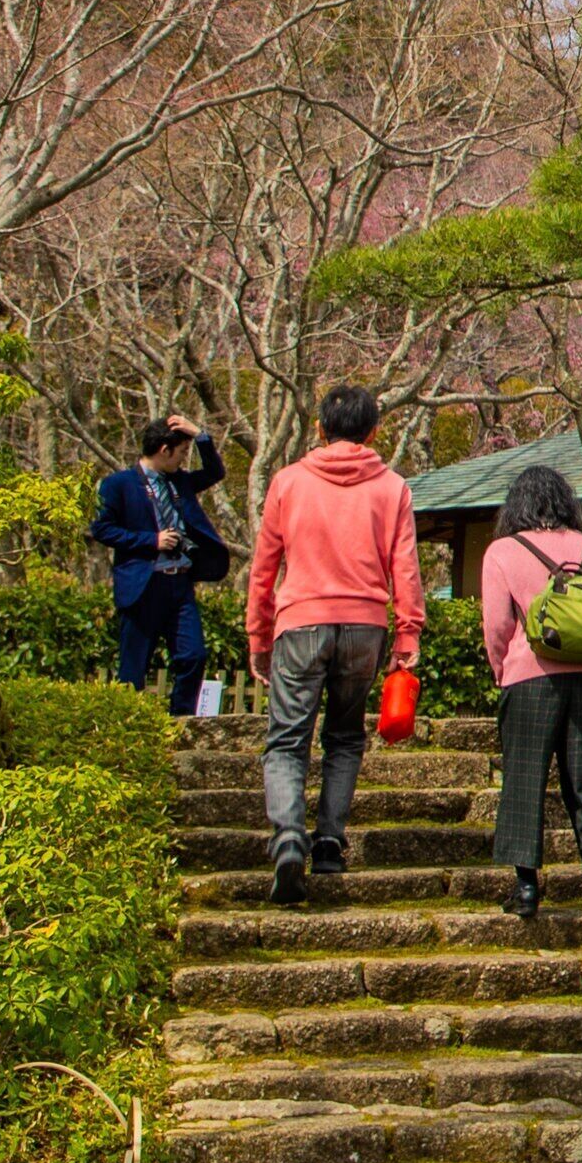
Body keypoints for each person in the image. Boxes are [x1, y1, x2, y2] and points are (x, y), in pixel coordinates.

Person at [243, 385, 423, 907]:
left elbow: (263, 570)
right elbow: (405, 569)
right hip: (365, 625)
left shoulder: (288, 482)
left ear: (319, 429)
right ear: (372, 432)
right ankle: (328, 842)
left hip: (300, 621)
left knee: (286, 740)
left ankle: (287, 841)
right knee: (344, 737)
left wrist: (260, 636)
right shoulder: (391, 487)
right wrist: (407, 632)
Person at [478, 465, 582, 923]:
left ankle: (526, 889)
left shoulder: (503, 551)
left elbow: (497, 626)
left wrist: (501, 669)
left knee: (525, 779)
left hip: (531, 676)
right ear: (567, 504)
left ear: (516, 506)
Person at [91, 416, 227, 714]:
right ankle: (131, 725)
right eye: (180, 453)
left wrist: (199, 434)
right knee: (134, 664)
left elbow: (215, 471)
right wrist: (151, 541)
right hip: (143, 584)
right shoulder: (118, 485)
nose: (182, 460)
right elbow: (102, 529)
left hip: (179, 582)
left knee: (193, 655)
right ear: (164, 450)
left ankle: (181, 720)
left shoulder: (180, 482)